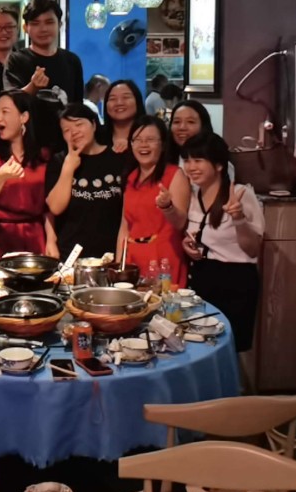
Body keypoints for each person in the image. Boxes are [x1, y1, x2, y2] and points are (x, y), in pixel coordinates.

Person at [180, 134, 264, 353]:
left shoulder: (240, 194)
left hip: (235, 281)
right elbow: (199, 235)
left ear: (218, 165)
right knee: (199, 346)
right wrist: (187, 245)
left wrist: (238, 218)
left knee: (228, 348)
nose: (191, 167)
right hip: (201, 278)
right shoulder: (194, 196)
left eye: (198, 160)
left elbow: (253, 249)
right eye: (187, 160)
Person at [0, 90, 51, 262]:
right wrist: (0, 177)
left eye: (5, 112)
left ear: (24, 117)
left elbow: (48, 204)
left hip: (34, 235)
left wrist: (51, 239)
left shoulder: (43, 154)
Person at [45, 104, 127, 260]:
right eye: (67, 130)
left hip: (110, 255)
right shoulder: (59, 161)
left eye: (79, 124)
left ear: (94, 124)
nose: (74, 132)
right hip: (70, 255)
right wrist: (68, 168)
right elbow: (55, 207)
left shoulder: (118, 158)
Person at [118, 118, 189, 286]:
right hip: (132, 260)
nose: (143, 145)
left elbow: (180, 223)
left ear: (162, 145)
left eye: (150, 139)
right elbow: (124, 227)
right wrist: (119, 264)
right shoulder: (130, 177)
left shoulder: (174, 174)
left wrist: (168, 207)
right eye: (137, 140)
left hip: (163, 259)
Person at [16, 0, 85, 107]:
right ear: (25, 28)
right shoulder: (16, 60)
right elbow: (10, 102)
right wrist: (33, 86)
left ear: (60, 25)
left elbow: (78, 106)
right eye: (35, 23)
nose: (43, 29)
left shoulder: (72, 61)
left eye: (49, 22)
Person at [100, 79, 145, 155]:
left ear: (137, 101)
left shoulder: (151, 133)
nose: (119, 103)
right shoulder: (96, 136)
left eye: (126, 97)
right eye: (112, 99)